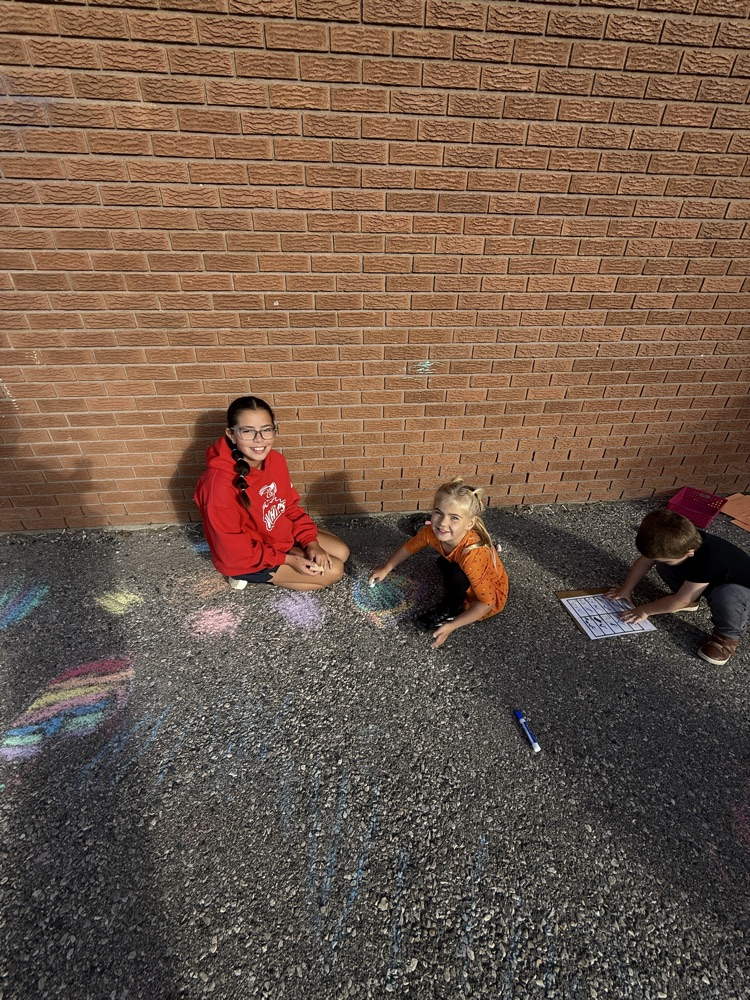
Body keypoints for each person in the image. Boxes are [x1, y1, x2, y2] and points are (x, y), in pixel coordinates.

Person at [194, 395, 349, 591]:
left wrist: (310, 543)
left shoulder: (276, 460)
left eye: (266, 430)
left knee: (342, 552)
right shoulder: (218, 485)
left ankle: (293, 554)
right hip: (246, 556)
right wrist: (289, 559)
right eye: (247, 431)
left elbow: (289, 507)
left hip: (275, 536)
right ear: (231, 434)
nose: (259, 439)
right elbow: (233, 550)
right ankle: (245, 576)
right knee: (334, 571)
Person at [369, 478, 508, 649]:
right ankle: (454, 576)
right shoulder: (431, 532)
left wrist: (452, 626)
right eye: (438, 513)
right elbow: (409, 547)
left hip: (490, 594)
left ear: (469, 524)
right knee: (443, 562)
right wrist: (386, 568)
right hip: (468, 566)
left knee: (454, 575)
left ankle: (451, 608)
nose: (443, 523)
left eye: (454, 518)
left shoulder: (472, 555)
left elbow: (487, 603)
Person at [605, 508, 750, 666]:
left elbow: (681, 600)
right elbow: (646, 560)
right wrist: (626, 589)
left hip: (737, 589)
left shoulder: (710, 560)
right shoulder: (678, 541)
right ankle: (692, 600)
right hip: (703, 579)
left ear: (689, 553)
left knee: (727, 596)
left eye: (663, 558)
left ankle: (727, 637)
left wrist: (645, 610)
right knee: (665, 566)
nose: (656, 560)